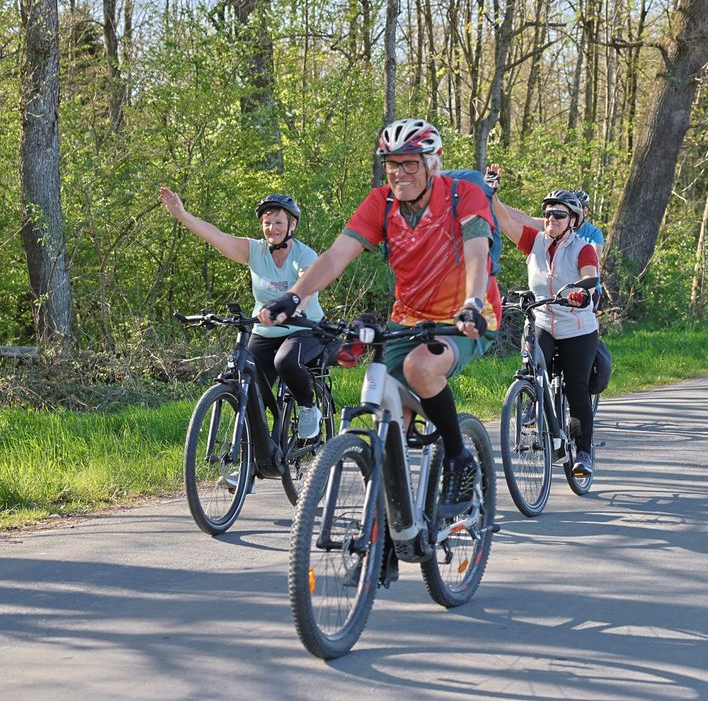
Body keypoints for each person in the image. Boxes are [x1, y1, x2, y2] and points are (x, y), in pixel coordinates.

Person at [257, 119, 500, 515]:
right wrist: (294, 296)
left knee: (421, 367)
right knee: (389, 418)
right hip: (407, 319)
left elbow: (475, 254)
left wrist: (472, 302)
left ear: (432, 163)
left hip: (466, 315)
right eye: (391, 164)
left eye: (409, 164)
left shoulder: (464, 195)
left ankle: (458, 458)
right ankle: (389, 527)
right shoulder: (382, 203)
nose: (399, 173)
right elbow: (336, 256)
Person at [160, 188, 325, 442]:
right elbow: (216, 236)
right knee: (248, 391)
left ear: (292, 225)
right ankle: (251, 469)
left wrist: (294, 307)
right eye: (267, 223)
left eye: (278, 222)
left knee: (286, 361)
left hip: (304, 328)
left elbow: (308, 286)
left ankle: (307, 407)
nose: (272, 228)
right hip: (265, 330)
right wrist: (183, 215)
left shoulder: (304, 255)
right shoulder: (255, 251)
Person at [491, 188, 601, 477]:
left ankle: (584, 452)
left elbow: (591, 275)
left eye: (559, 214)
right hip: (543, 320)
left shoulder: (582, 248)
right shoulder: (534, 241)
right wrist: (491, 193)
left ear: (572, 220)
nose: (551, 218)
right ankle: (532, 409)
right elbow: (505, 222)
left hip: (577, 327)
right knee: (531, 367)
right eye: (548, 213)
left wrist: (581, 290)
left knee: (577, 389)